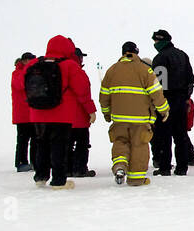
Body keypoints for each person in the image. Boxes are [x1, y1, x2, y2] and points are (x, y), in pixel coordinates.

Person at [27, 35, 96, 190]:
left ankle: (40, 176)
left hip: (38, 114)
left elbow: (22, 83)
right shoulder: (69, 66)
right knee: (59, 146)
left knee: (41, 144)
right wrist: (91, 110)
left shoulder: (35, 63)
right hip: (61, 114)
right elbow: (82, 90)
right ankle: (59, 181)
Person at [99, 41, 169, 187]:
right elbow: (156, 92)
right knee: (139, 146)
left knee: (120, 142)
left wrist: (106, 113)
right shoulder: (145, 70)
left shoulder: (112, 70)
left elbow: (104, 96)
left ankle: (120, 166)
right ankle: (136, 179)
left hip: (119, 118)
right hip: (140, 119)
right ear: (136, 52)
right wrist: (164, 110)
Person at [149, 29, 194, 176]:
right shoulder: (182, 55)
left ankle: (164, 167)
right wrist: (185, 97)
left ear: (160, 41)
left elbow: (158, 85)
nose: (154, 44)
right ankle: (182, 167)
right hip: (181, 101)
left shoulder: (160, 58)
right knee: (180, 135)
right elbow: (191, 80)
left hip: (166, 102)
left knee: (164, 136)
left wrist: (158, 103)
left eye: (155, 41)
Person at [70, 47, 96, 177]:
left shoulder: (61, 70)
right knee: (82, 144)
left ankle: (67, 168)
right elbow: (84, 95)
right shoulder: (77, 72)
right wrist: (91, 111)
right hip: (79, 116)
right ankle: (80, 169)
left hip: (63, 118)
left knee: (66, 144)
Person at [11, 51, 37, 172]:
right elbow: (20, 84)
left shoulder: (29, 73)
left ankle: (34, 162)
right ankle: (21, 162)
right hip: (22, 114)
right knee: (23, 140)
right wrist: (28, 68)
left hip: (32, 112)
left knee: (35, 139)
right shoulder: (17, 73)